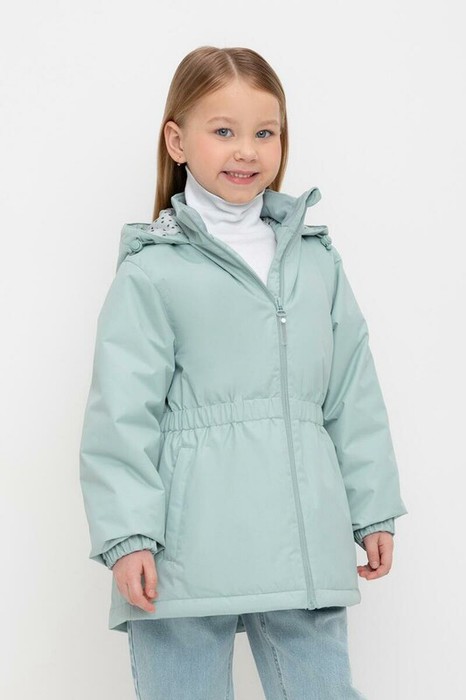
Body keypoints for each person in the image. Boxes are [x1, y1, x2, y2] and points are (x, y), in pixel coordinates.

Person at [79, 45, 408, 699]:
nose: (247, 151)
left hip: (302, 544)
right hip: (185, 549)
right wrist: (127, 535)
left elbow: (352, 391)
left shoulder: (315, 261)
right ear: (177, 140)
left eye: (265, 133)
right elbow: (121, 414)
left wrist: (372, 509)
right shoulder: (154, 270)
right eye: (224, 131)